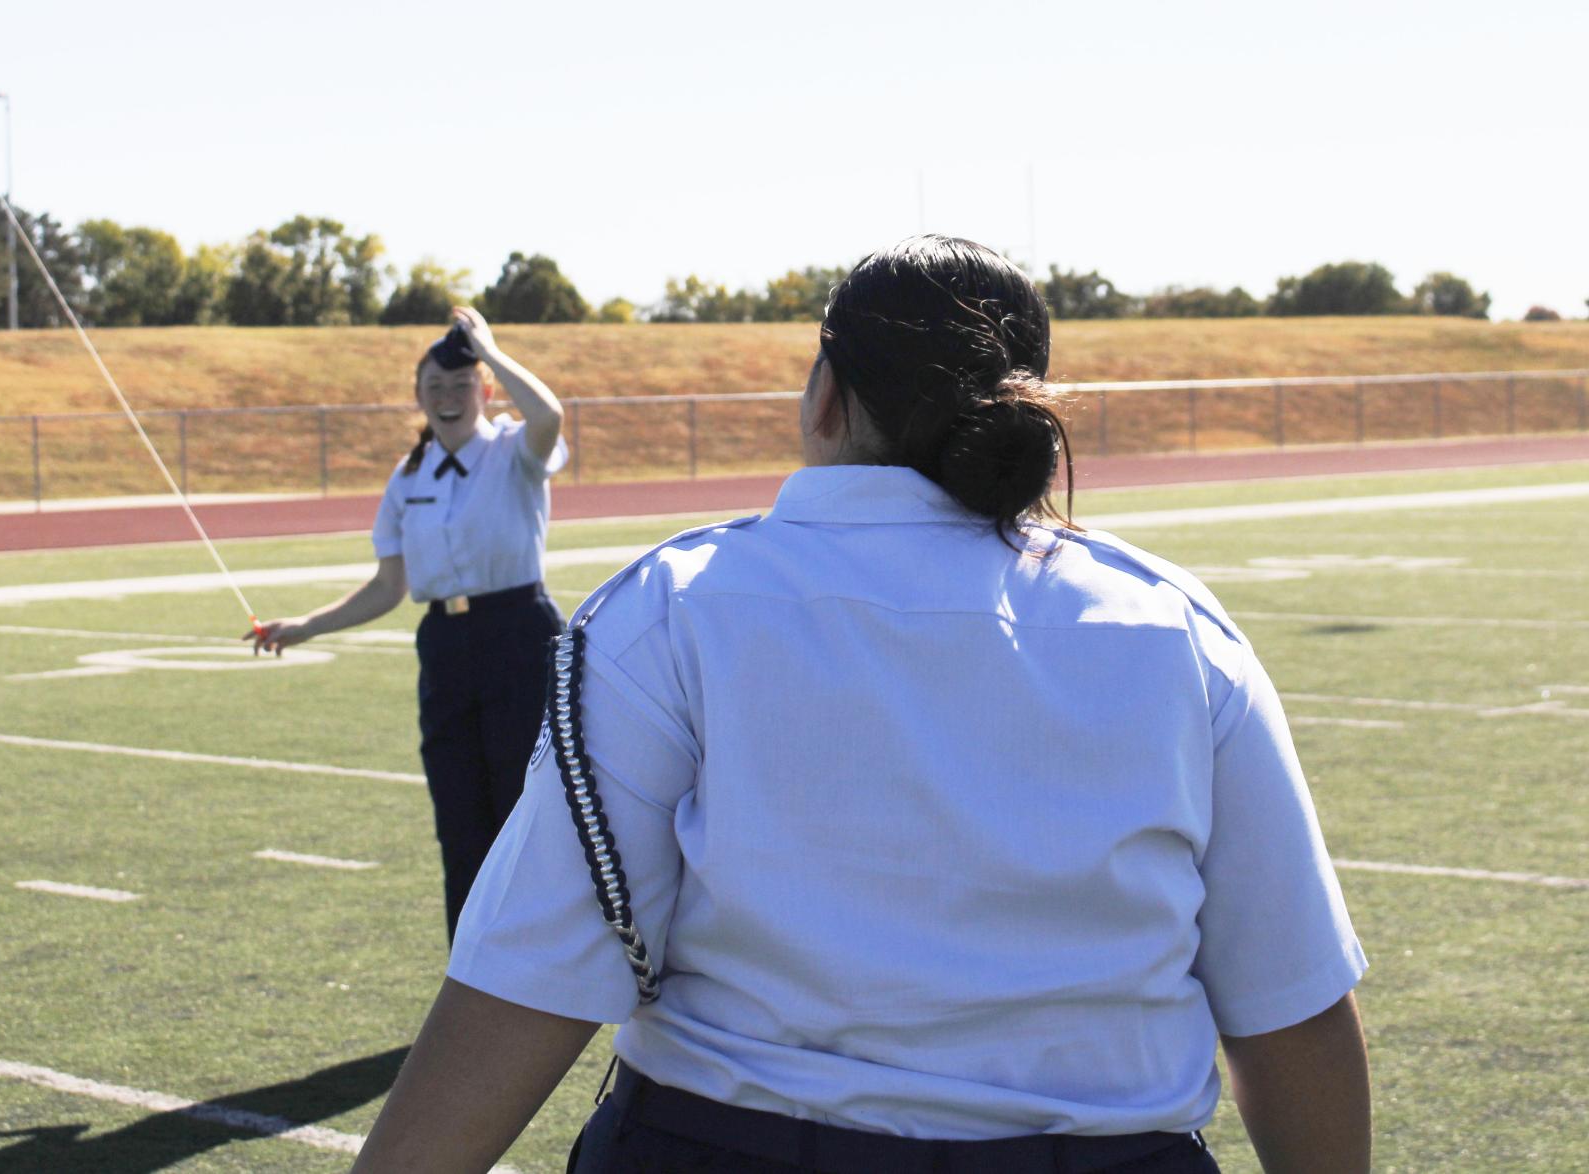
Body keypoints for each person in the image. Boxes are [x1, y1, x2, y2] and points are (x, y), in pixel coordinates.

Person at [354, 237, 1370, 1173]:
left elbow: (528, 979)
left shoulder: (674, 606)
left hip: (720, 1146)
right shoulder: (1174, 629)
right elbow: (1293, 1011)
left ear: (826, 394)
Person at [249, 305, 567, 943]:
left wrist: (492, 348)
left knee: (520, 813)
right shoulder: (409, 474)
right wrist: (305, 627)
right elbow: (389, 586)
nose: (447, 398)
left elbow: (550, 416)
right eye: (434, 388)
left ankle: (532, 976)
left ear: (484, 390)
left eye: (461, 385)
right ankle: (470, 972)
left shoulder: (513, 451)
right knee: (458, 817)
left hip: (517, 636)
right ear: (418, 396)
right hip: (445, 647)